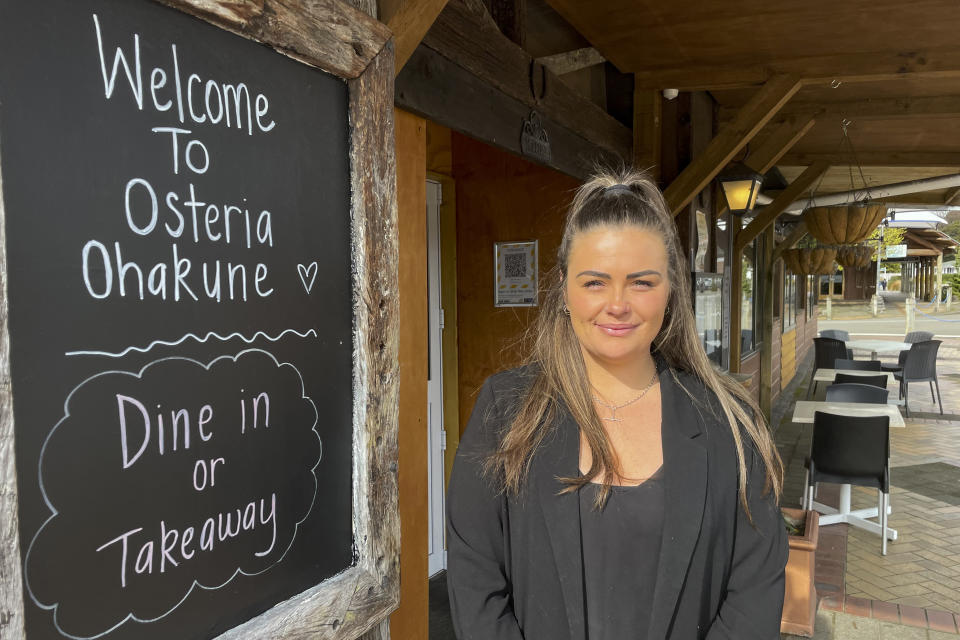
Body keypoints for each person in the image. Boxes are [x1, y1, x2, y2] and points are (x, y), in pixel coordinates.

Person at [446, 169, 788, 640]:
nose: (617, 304)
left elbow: (753, 597)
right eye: (594, 282)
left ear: (671, 291)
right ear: (564, 289)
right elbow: (475, 582)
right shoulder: (506, 411)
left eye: (642, 282)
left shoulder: (730, 423)